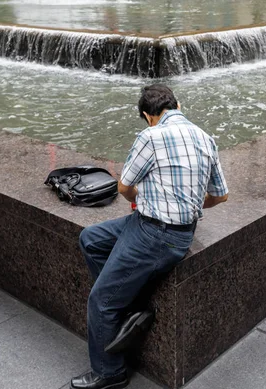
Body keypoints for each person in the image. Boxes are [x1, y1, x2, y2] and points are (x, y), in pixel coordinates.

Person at [71, 84, 229, 389]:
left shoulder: (151, 136)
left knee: (101, 301)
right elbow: (220, 196)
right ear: (177, 104)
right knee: (91, 239)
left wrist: (139, 193)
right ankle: (129, 306)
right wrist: (191, 203)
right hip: (173, 231)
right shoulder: (205, 138)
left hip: (154, 234)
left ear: (148, 115)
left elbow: (123, 187)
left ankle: (110, 372)